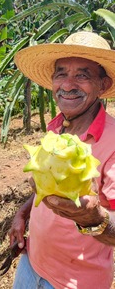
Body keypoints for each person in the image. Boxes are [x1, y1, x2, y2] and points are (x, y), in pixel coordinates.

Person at [8, 31, 115, 289]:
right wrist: (23, 212)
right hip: (32, 262)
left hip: (74, 282)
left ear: (102, 85)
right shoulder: (57, 127)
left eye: (82, 75)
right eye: (61, 73)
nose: (67, 84)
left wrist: (94, 219)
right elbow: (49, 187)